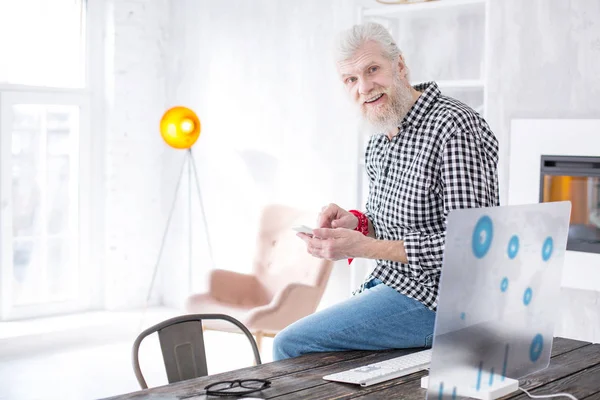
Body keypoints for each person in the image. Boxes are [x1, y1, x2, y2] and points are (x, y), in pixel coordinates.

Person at [272, 22, 499, 361]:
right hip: (393, 287)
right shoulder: (380, 138)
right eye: (351, 79)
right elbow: (393, 226)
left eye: (372, 69)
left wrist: (366, 246)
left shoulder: (454, 127)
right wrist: (358, 225)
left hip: (444, 302)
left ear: (400, 66)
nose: (364, 87)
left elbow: (473, 248)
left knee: (289, 344)